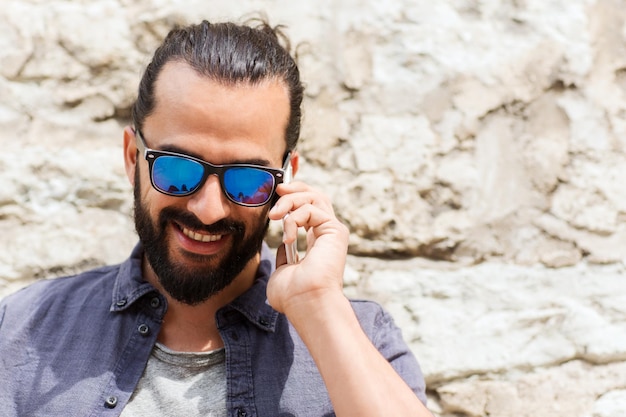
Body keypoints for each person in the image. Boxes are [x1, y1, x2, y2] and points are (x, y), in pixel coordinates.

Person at [0, 19, 431, 417]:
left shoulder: (362, 340)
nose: (208, 209)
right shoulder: (20, 329)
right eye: (177, 168)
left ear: (286, 179)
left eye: (247, 179)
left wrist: (317, 304)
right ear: (133, 158)